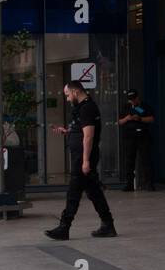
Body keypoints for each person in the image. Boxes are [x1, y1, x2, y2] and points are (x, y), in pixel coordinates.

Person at [46, 82, 116, 240]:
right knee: (94, 191)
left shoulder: (87, 108)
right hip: (82, 156)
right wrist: (68, 132)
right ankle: (108, 224)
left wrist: (85, 161)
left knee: (74, 192)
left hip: (83, 157)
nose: (68, 98)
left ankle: (64, 227)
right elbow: (81, 130)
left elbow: (89, 136)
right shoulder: (82, 108)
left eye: (68, 95)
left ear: (75, 91)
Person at [117, 88, 155, 191]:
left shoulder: (144, 106)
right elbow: (119, 122)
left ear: (137, 98)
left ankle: (148, 184)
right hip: (129, 137)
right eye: (130, 99)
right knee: (129, 161)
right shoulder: (126, 107)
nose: (132, 101)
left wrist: (140, 118)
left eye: (133, 99)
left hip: (142, 136)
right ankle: (129, 184)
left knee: (145, 160)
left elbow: (151, 119)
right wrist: (127, 118)